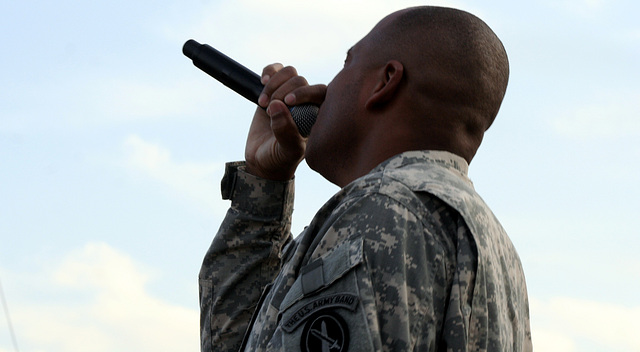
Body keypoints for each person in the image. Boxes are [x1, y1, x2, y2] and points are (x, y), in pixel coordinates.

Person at [199, 5, 532, 352]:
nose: (326, 88)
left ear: (385, 81)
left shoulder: (384, 208)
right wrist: (265, 183)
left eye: (346, 64)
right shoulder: (494, 246)